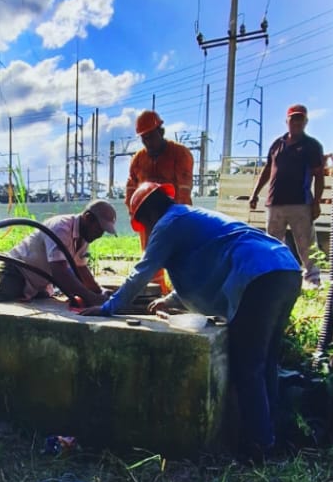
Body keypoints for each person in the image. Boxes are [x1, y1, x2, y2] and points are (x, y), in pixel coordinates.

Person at [84, 181, 301, 460]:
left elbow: (142, 272)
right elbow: (204, 266)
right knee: (265, 362)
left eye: (145, 224)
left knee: (248, 366)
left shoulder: (168, 224)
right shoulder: (188, 217)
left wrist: (108, 307)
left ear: (148, 215)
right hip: (285, 269)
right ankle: (272, 439)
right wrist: (170, 300)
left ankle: (258, 449)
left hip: (258, 275)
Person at [0, 200, 118, 306]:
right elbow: (60, 271)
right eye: (99, 229)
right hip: (16, 272)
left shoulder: (84, 237)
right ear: (88, 218)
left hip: (38, 285)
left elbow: (81, 269)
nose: (100, 234)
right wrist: (91, 298)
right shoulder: (61, 227)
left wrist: (100, 292)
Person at [249, 103, 325, 287]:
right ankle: (274, 279)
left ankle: (313, 280)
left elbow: (319, 175)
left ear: (306, 122)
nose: (296, 123)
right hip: (275, 203)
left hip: (300, 203)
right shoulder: (277, 144)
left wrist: (316, 202)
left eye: (300, 119)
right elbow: (268, 169)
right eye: (293, 119)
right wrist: (255, 194)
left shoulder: (312, 146)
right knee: (273, 244)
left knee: (306, 243)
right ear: (287, 121)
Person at [126, 110, 194, 294]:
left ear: (161, 132)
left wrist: (175, 218)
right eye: (144, 138)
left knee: (179, 256)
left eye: (151, 137)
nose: (148, 142)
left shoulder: (180, 154)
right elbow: (131, 186)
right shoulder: (139, 159)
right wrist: (133, 212)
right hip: (149, 219)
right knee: (151, 256)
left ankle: (183, 295)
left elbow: (184, 189)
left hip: (174, 216)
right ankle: (157, 293)